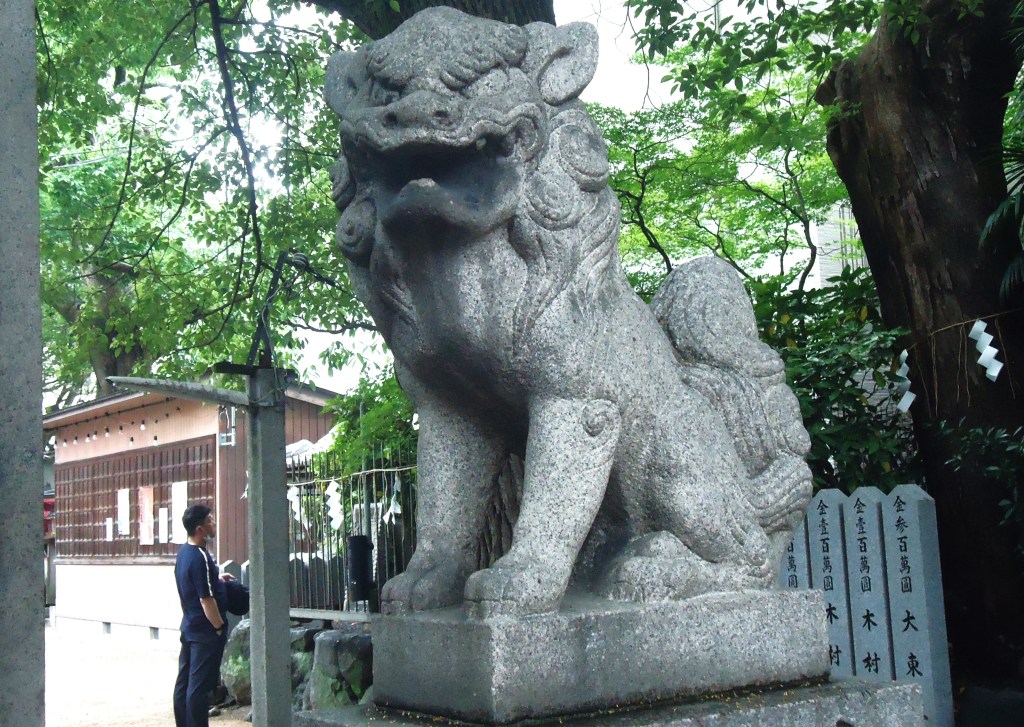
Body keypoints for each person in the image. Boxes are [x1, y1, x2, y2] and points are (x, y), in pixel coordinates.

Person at [173, 503, 233, 727]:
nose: (213, 523)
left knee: (184, 684)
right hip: (204, 631)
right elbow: (206, 599)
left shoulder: (184, 553)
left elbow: (195, 583)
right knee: (198, 688)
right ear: (199, 529)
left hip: (189, 625)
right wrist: (218, 626)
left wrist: (217, 579)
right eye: (209, 520)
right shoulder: (200, 556)